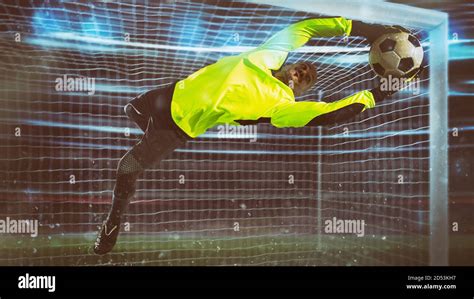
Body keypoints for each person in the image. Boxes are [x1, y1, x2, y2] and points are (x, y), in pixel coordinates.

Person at [93, 17, 420, 255]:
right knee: (129, 110)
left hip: (175, 126)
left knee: (127, 168)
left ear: (301, 89)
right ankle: (139, 135)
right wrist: (363, 30)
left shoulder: (282, 106)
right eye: (304, 68)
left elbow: (330, 114)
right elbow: (304, 29)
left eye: (307, 80)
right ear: (293, 65)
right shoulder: (268, 56)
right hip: (168, 94)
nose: (303, 73)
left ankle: (112, 224)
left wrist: (378, 94)